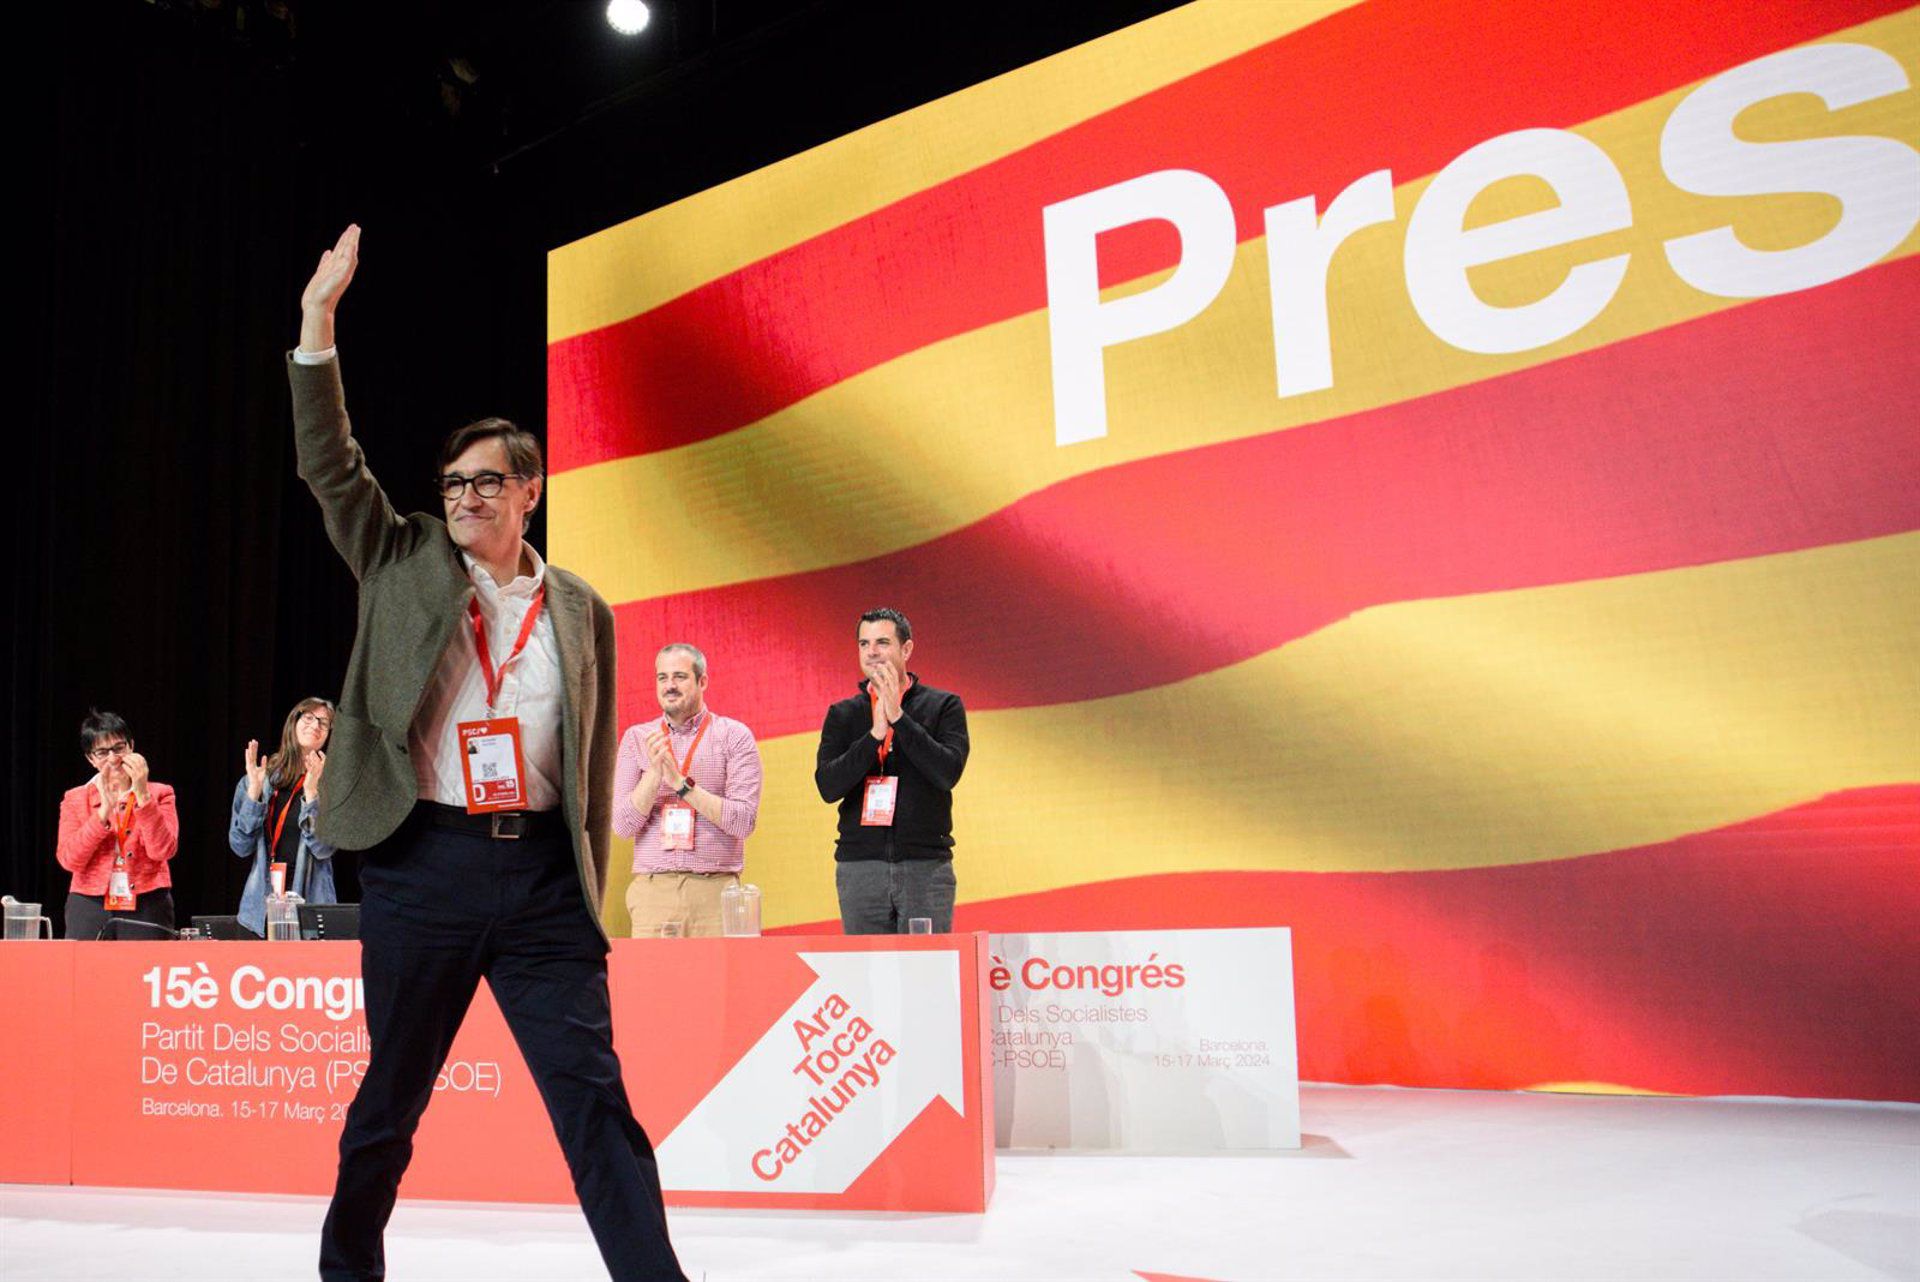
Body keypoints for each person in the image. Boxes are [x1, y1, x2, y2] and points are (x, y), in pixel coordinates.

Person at [291, 225, 684, 1282]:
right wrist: (317, 326)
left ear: (529, 489)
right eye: (453, 482)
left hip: (545, 883)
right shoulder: (403, 554)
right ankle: (347, 1269)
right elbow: (333, 468)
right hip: (426, 864)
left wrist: (585, 876)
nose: (463, 496)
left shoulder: (583, 612)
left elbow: (590, 761)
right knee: (392, 1102)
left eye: (483, 482)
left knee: (595, 1102)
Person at [814, 608, 970, 934]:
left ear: (906, 650)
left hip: (925, 867)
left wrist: (899, 719)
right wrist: (873, 736)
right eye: (864, 643)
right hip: (860, 868)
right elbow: (828, 786)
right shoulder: (843, 714)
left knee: (925, 973)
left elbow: (947, 773)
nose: (872, 652)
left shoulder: (944, 706)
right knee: (865, 977)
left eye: (882, 642)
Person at [612, 643, 763, 937]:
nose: (670, 686)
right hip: (653, 892)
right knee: (654, 983)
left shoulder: (734, 736)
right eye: (662, 677)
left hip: (715, 891)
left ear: (702, 681)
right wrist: (655, 774)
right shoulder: (637, 739)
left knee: (718, 983)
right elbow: (622, 826)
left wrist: (682, 786)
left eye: (680, 676)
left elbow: (743, 822)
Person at [54, 709, 180, 939]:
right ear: (91, 759)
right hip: (89, 903)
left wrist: (142, 796)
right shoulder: (75, 798)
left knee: (144, 973)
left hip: (147, 901)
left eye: (119, 748)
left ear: (131, 746)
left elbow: (162, 850)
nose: (113, 759)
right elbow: (69, 860)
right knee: (87, 973)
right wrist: (102, 813)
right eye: (102, 752)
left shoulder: (160, 793)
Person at [227, 697, 338, 937]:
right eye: (308, 717)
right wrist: (254, 795)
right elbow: (240, 846)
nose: (315, 725)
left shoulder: (330, 785)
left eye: (324, 722)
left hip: (311, 906)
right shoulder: (258, 779)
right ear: (293, 721)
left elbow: (324, 848)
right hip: (260, 908)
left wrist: (311, 795)